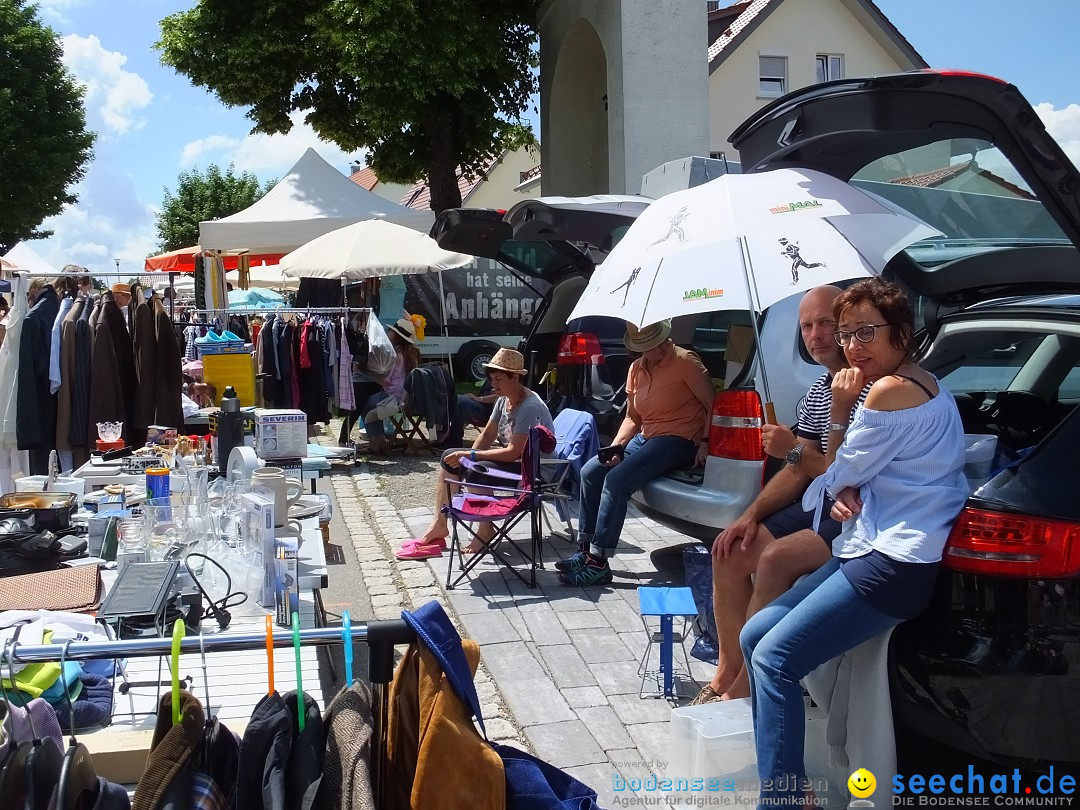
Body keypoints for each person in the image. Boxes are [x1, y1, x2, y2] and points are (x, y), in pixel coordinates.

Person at [740, 278, 968, 807]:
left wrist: (841, 411)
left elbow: (834, 468)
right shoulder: (923, 380)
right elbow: (845, 479)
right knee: (756, 634)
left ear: (903, 335)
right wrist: (844, 485)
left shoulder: (888, 391)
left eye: (866, 332)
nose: (852, 346)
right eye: (845, 335)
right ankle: (788, 776)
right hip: (866, 547)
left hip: (892, 564)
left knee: (774, 658)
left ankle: (782, 799)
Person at [693, 286, 865, 705]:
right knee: (730, 550)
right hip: (819, 505)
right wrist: (749, 515)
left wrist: (789, 448)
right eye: (807, 326)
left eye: (826, 323)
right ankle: (726, 670)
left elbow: (833, 469)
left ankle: (746, 687)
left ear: (846, 328)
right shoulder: (820, 392)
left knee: (774, 558)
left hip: (852, 516)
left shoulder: (866, 391)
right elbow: (796, 470)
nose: (817, 334)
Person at [556, 319, 715, 586]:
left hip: (679, 438)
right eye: (649, 347)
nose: (657, 350)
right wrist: (616, 447)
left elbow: (713, 403)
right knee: (591, 472)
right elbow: (632, 417)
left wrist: (706, 442)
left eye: (660, 342)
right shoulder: (635, 368)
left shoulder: (686, 361)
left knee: (617, 481)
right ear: (638, 349)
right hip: (646, 436)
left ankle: (599, 562)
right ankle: (585, 550)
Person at [400, 347, 554, 560]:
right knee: (449, 457)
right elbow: (487, 437)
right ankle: (439, 523)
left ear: (516, 377)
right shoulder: (503, 400)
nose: (493, 384)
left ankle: (485, 528)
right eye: (492, 378)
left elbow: (513, 453)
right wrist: (465, 456)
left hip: (531, 469)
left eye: (499, 379)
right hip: (517, 461)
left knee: (476, 470)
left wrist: (471, 457)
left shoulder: (529, 407)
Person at [359, 317, 421, 454]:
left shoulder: (396, 355)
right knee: (372, 403)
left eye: (391, 331)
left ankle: (375, 443)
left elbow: (384, 381)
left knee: (365, 403)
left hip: (393, 398)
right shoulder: (411, 354)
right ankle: (379, 441)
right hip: (405, 398)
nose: (388, 332)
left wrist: (363, 372)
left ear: (397, 336)